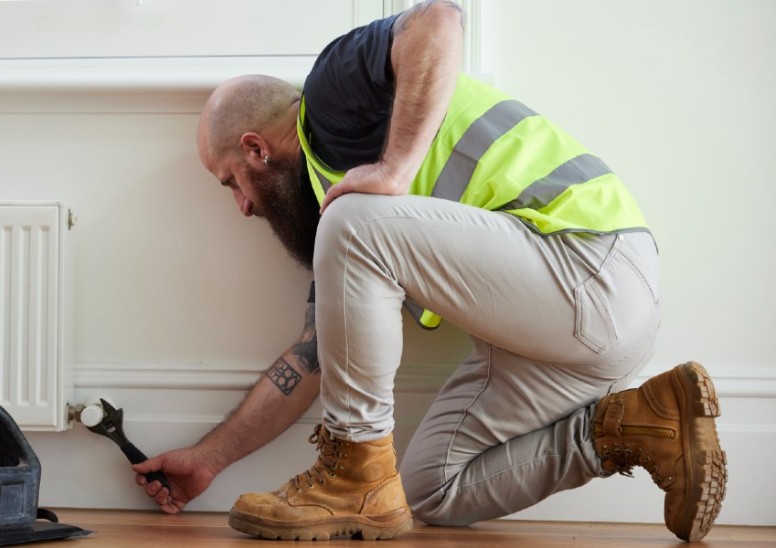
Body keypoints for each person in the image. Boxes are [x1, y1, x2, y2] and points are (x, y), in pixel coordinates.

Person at [131, 0, 727, 542]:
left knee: (355, 223)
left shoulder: (332, 100)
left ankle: (351, 474)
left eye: (231, 180)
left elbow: (439, 18)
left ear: (257, 148)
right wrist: (209, 457)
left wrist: (394, 169)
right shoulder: (340, 216)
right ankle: (640, 423)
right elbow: (316, 357)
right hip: (559, 337)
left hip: (591, 264)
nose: (241, 206)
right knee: (428, 488)